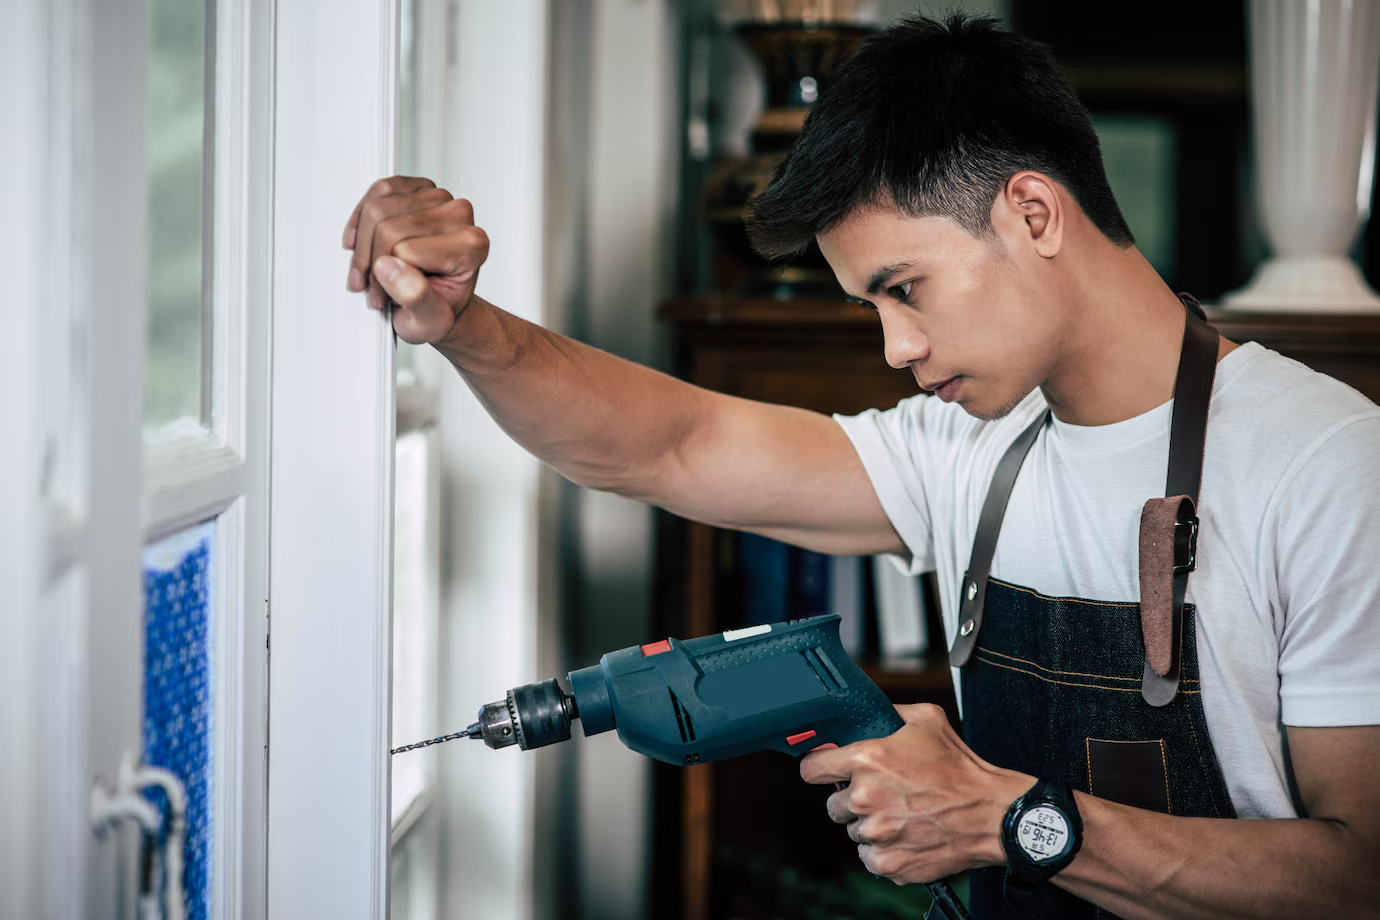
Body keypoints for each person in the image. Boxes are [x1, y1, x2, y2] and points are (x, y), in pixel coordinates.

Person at [341, 15, 1380, 920]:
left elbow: (1362, 876)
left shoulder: (1324, 464)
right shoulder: (975, 452)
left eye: (906, 288)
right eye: (871, 307)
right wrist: (457, 323)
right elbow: (669, 444)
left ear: (1032, 211)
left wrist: (1016, 821)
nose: (894, 347)